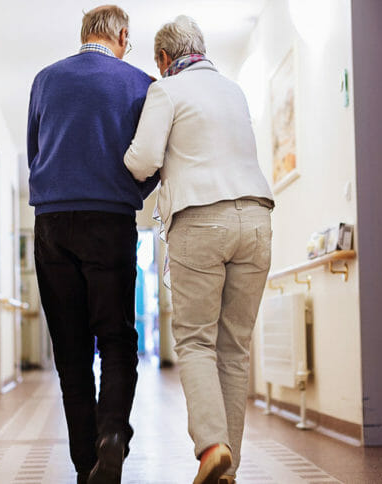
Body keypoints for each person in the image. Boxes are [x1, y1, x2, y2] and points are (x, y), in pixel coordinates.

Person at [124, 16, 274, 484]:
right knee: (235, 348)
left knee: (194, 341)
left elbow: (142, 160)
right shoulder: (234, 90)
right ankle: (228, 469)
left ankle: (212, 447)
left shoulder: (167, 90)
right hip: (256, 218)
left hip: (201, 219)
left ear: (164, 60)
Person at [26, 5, 157, 484]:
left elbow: (34, 151)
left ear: (85, 35)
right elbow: (152, 158)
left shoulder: (44, 79)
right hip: (110, 219)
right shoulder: (140, 83)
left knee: (71, 351)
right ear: (122, 35)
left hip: (52, 222)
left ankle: (87, 467)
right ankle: (112, 438)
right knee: (118, 339)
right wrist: (130, 194)